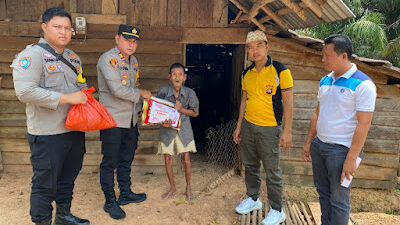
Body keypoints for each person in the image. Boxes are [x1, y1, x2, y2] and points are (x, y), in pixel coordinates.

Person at [11, 7, 90, 225]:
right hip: (47, 134)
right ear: (44, 27)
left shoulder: (73, 58)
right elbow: (25, 92)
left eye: (67, 28)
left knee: (67, 179)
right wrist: (67, 98)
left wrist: (85, 94)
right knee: (45, 184)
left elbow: (80, 85)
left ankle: (63, 216)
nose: (63, 32)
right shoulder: (31, 55)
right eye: (57, 27)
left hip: (73, 129)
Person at [302, 34, 376, 225]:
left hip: (341, 151)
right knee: (323, 194)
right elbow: (317, 113)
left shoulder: (363, 85)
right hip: (319, 147)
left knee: (339, 199)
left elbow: (364, 124)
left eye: (327, 55)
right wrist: (309, 142)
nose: (323, 59)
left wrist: (352, 158)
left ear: (343, 56)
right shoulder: (325, 80)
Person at [233, 30, 293, 225]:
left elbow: (289, 102)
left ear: (267, 47)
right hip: (249, 126)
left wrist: (287, 131)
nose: (254, 50)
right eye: (250, 47)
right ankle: (253, 199)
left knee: (272, 170)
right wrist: (239, 126)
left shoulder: (280, 70)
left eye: (259, 45)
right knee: (250, 165)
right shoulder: (246, 73)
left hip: (270, 128)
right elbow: (244, 99)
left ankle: (277, 210)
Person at [97, 24, 152, 220]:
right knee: (109, 162)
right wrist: (142, 94)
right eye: (127, 39)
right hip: (112, 121)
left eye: (134, 40)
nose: (131, 43)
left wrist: (142, 114)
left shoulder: (134, 61)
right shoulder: (108, 59)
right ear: (117, 38)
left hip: (130, 120)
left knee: (126, 159)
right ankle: (110, 200)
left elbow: (132, 90)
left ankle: (125, 193)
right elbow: (117, 91)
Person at [157, 63, 199, 201]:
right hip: (167, 130)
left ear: (184, 77)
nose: (177, 77)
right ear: (169, 77)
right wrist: (163, 121)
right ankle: (173, 188)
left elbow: (195, 113)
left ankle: (188, 187)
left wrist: (181, 110)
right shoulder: (163, 92)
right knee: (167, 159)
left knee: (186, 160)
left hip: (184, 129)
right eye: (174, 74)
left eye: (180, 74)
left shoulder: (190, 93)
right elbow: (158, 112)